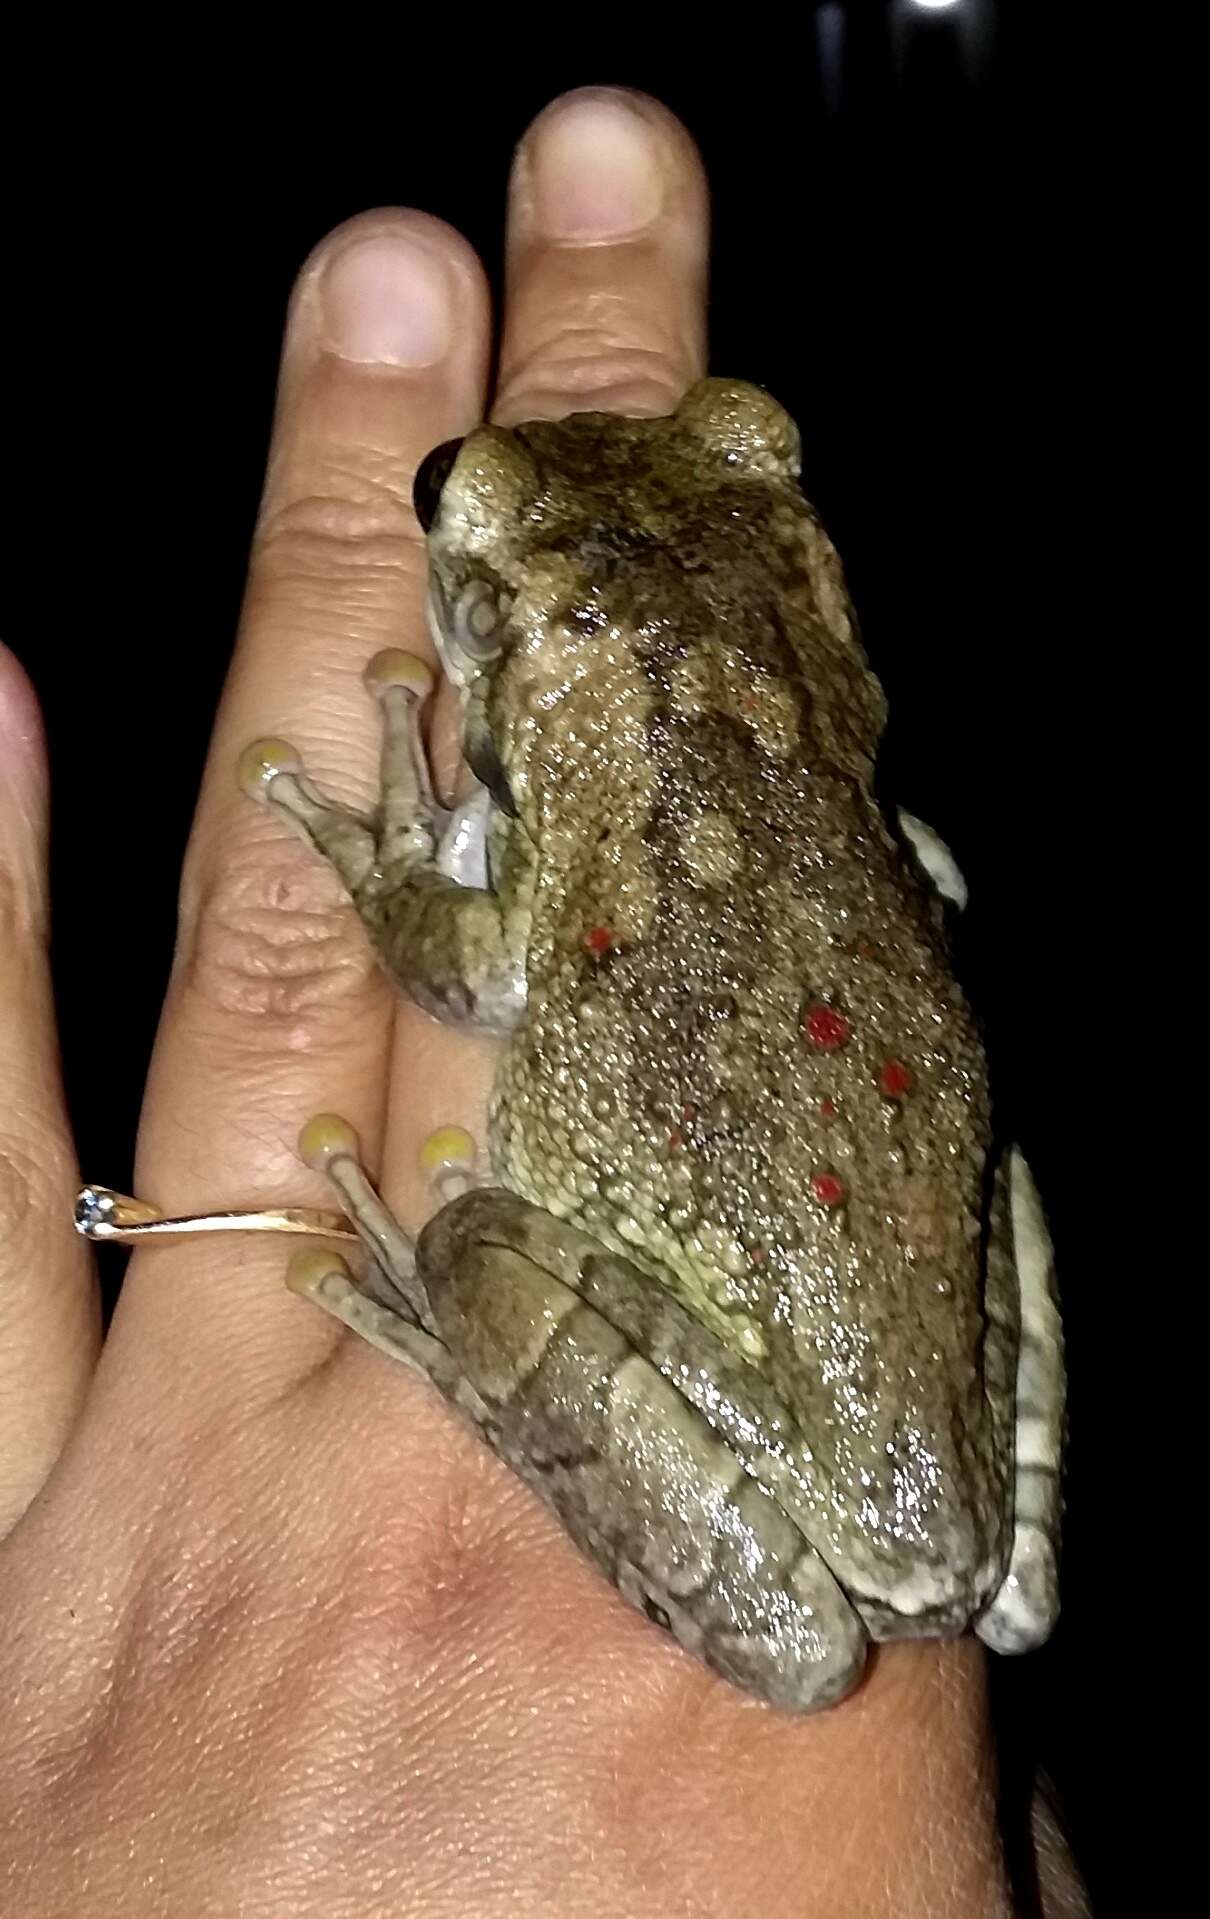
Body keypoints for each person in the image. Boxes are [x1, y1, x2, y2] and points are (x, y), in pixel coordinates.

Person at [0, 87, 1078, 1916]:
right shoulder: (810, 733)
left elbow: (464, 960)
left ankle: (493, 1353)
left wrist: (395, 852)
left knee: (481, 1232)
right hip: (911, 1366)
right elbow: (927, 883)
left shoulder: (580, 779)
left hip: (778, 1371)